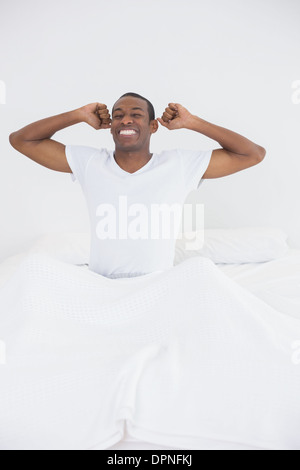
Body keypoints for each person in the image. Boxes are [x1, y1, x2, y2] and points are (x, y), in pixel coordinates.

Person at [9, 92, 266, 278]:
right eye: (118, 116)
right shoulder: (91, 162)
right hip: (102, 284)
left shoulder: (178, 165)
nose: (126, 120)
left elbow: (252, 154)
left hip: (158, 285)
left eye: (136, 115)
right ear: (111, 128)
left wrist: (193, 122)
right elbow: (22, 140)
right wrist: (78, 115)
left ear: (153, 126)